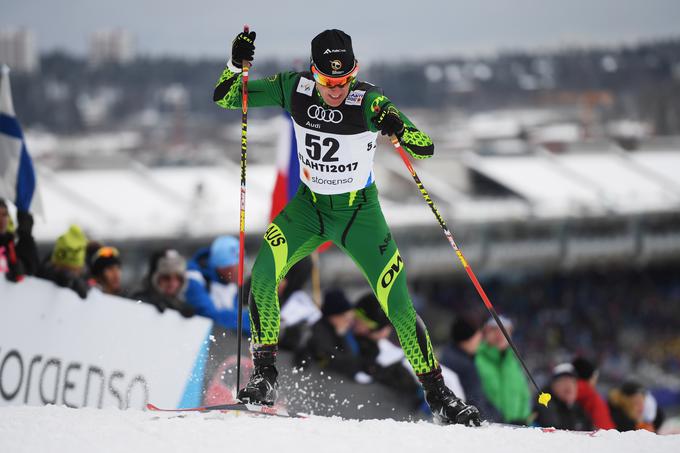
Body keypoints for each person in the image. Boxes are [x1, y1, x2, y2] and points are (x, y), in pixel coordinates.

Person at [214, 28, 479, 425]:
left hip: (359, 215)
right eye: (326, 81)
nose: (335, 90)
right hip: (309, 209)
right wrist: (236, 64)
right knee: (264, 274)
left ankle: (439, 395)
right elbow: (227, 97)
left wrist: (397, 125)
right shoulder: (295, 88)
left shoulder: (369, 100)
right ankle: (265, 376)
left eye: (343, 81)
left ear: (354, 73)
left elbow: (426, 146)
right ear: (312, 73)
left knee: (397, 303)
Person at [440, 316, 502, 422]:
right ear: (467, 340)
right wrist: (497, 419)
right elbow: (476, 401)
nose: (480, 342)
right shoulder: (466, 367)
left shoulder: (448, 355)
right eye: (477, 338)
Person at [185, 235, 250, 332]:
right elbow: (208, 316)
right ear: (222, 266)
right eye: (238, 265)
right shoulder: (194, 278)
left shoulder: (231, 282)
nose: (244, 270)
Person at [475, 315, 531, 424]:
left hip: (516, 427)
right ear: (485, 333)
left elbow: (524, 394)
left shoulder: (514, 362)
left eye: (505, 330)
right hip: (486, 426)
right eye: (494, 330)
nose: (500, 334)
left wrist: (524, 419)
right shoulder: (476, 359)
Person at [133, 249, 195, 317]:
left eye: (178, 278)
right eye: (166, 278)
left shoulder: (182, 306)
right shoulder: (139, 299)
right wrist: (147, 306)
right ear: (155, 279)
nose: (172, 283)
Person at [533, 363, 593, 431]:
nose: (569, 385)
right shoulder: (545, 407)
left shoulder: (579, 410)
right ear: (553, 385)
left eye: (573, 381)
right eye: (563, 381)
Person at [37, 224, 90, 299]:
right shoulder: (41, 275)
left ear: (80, 269)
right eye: (65, 269)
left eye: (73, 270)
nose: (70, 274)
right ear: (54, 265)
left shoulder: (88, 280)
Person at [571, 356, 616, 430]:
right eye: (594, 378)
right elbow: (604, 425)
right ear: (589, 377)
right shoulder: (590, 395)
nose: (595, 382)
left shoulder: (566, 392)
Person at [0, 198, 39, 281]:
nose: (2, 219)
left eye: (4, 214)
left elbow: (35, 269)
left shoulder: (13, 243)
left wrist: (26, 237)